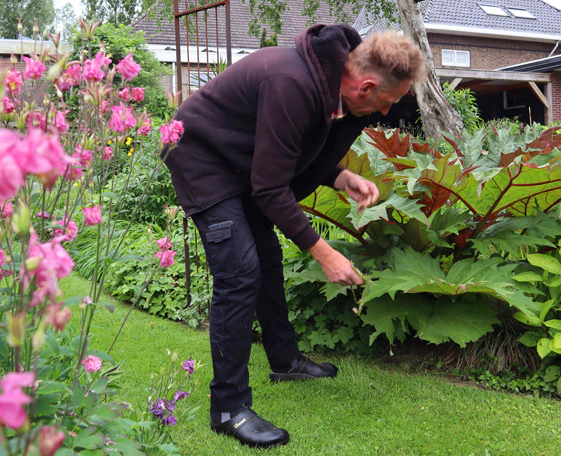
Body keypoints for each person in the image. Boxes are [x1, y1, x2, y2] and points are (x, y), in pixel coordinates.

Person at [162, 24, 426, 448]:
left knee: (265, 258)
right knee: (240, 272)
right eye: (387, 101)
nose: (384, 111)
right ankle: (228, 407)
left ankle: (284, 361)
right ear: (366, 86)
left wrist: (340, 177)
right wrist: (325, 253)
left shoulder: (341, 99)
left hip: (239, 163)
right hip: (200, 158)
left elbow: (300, 151)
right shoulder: (291, 82)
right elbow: (270, 187)